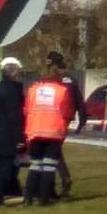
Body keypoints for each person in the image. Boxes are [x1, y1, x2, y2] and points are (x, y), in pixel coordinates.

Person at [22, 66, 74, 206]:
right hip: (53, 133)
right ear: (56, 76)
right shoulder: (62, 91)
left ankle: (28, 198)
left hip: (35, 132)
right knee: (49, 167)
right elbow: (67, 112)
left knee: (35, 166)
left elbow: (26, 110)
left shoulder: (32, 90)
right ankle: (43, 199)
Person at [0, 57, 27, 207]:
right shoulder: (10, 90)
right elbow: (14, 115)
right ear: (14, 70)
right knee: (3, 168)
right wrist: (19, 137)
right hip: (6, 134)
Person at [47, 51, 84, 197]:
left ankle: (64, 179)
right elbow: (79, 100)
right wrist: (82, 118)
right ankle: (60, 180)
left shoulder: (54, 79)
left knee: (53, 150)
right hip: (64, 119)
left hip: (54, 119)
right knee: (54, 150)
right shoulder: (71, 79)